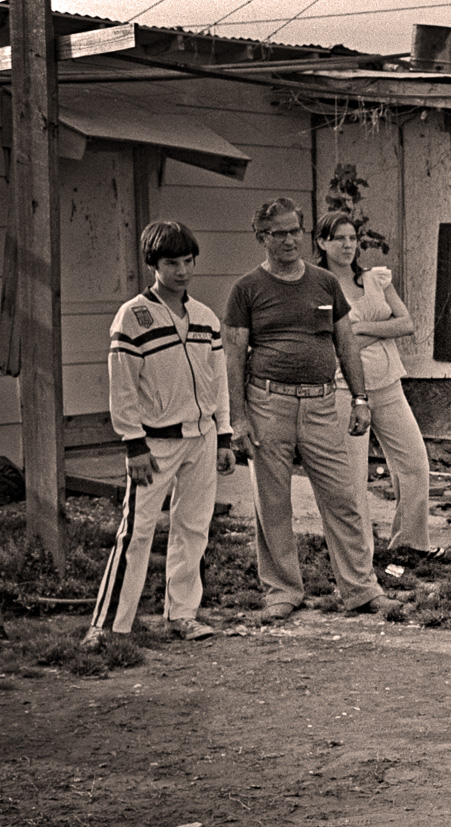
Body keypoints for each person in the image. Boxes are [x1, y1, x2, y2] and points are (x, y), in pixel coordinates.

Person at [223, 197, 390, 620]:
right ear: (261, 237)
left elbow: (346, 343)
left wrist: (360, 397)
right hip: (268, 403)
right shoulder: (246, 289)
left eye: (294, 230)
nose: (288, 240)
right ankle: (282, 591)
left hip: (320, 404)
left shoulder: (324, 283)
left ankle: (361, 589)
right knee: (273, 502)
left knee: (343, 497)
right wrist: (238, 418)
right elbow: (233, 355)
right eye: (277, 233)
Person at [82, 221, 235, 650]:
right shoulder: (133, 316)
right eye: (172, 263)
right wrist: (133, 442)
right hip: (155, 444)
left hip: (202, 439)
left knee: (194, 527)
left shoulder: (205, 317)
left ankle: (182, 614)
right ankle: (110, 624)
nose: (182, 271)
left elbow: (217, 380)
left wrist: (223, 435)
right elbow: (123, 385)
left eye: (188, 261)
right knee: (137, 530)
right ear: (153, 264)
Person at [313, 212, 438, 559]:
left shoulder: (375, 279)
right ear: (322, 243)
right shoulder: (318, 286)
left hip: (388, 383)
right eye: (339, 238)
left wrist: (363, 331)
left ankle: (411, 543)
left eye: (353, 238)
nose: (348, 245)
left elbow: (407, 323)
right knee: (353, 475)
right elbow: (328, 342)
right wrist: (360, 336)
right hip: (344, 389)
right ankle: (357, 554)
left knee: (414, 462)